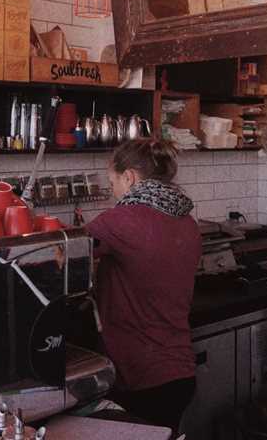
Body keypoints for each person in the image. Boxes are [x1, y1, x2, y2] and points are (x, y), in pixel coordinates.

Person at [86, 138, 202, 435]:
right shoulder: (186, 219)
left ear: (130, 177)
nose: (113, 192)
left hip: (139, 376)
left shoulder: (120, 221)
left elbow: (59, 253)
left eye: (113, 183)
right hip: (179, 371)